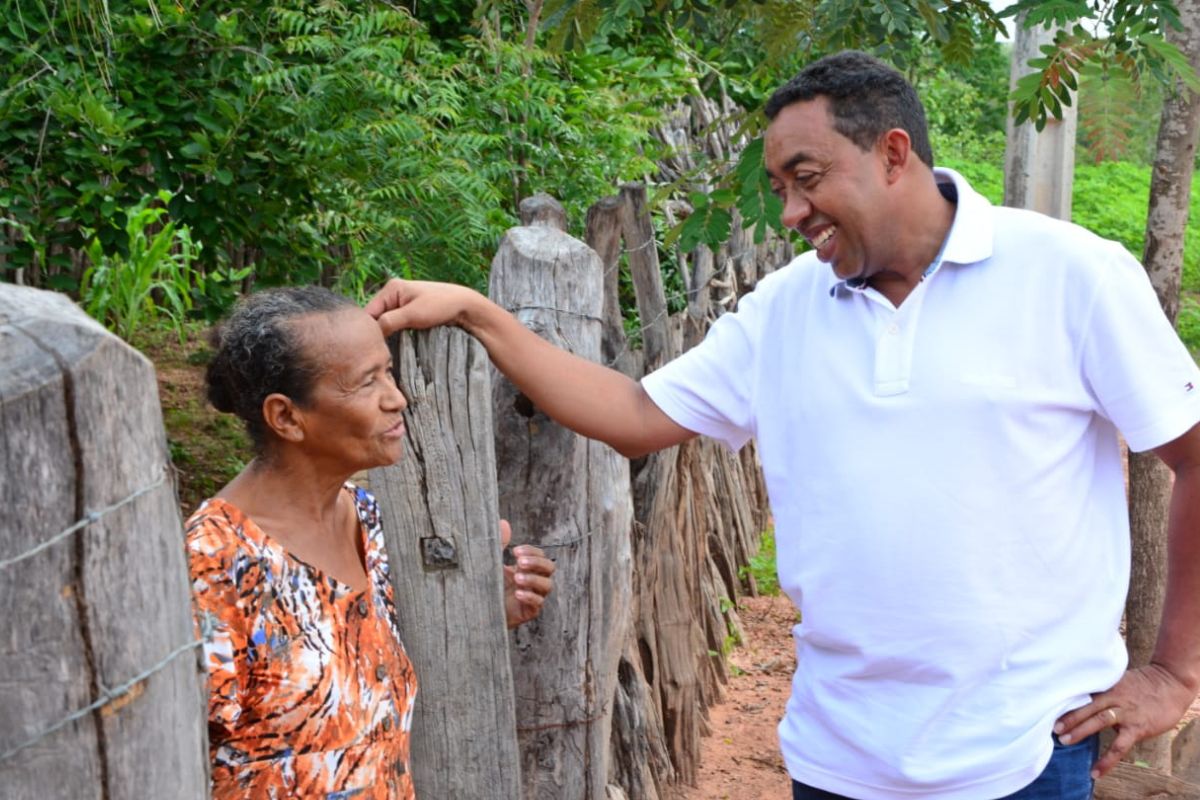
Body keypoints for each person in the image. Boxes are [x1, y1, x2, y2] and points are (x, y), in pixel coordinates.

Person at [364, 50, 1200, 800]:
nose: (792, 211)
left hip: (1022, 757)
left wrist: (1173, 671)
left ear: (893, 154)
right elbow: (634, 414)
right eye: (781, 189)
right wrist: (479, 315)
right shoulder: (787, 308)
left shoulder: (1070, 276)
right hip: (836, 756)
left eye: (808, 178)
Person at [186, 286, 555, 800]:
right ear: (286, 417)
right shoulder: (215, 566)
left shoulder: (372, 521)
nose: (396, 398)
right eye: (366, 382)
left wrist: (482, 609)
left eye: (388, 372)